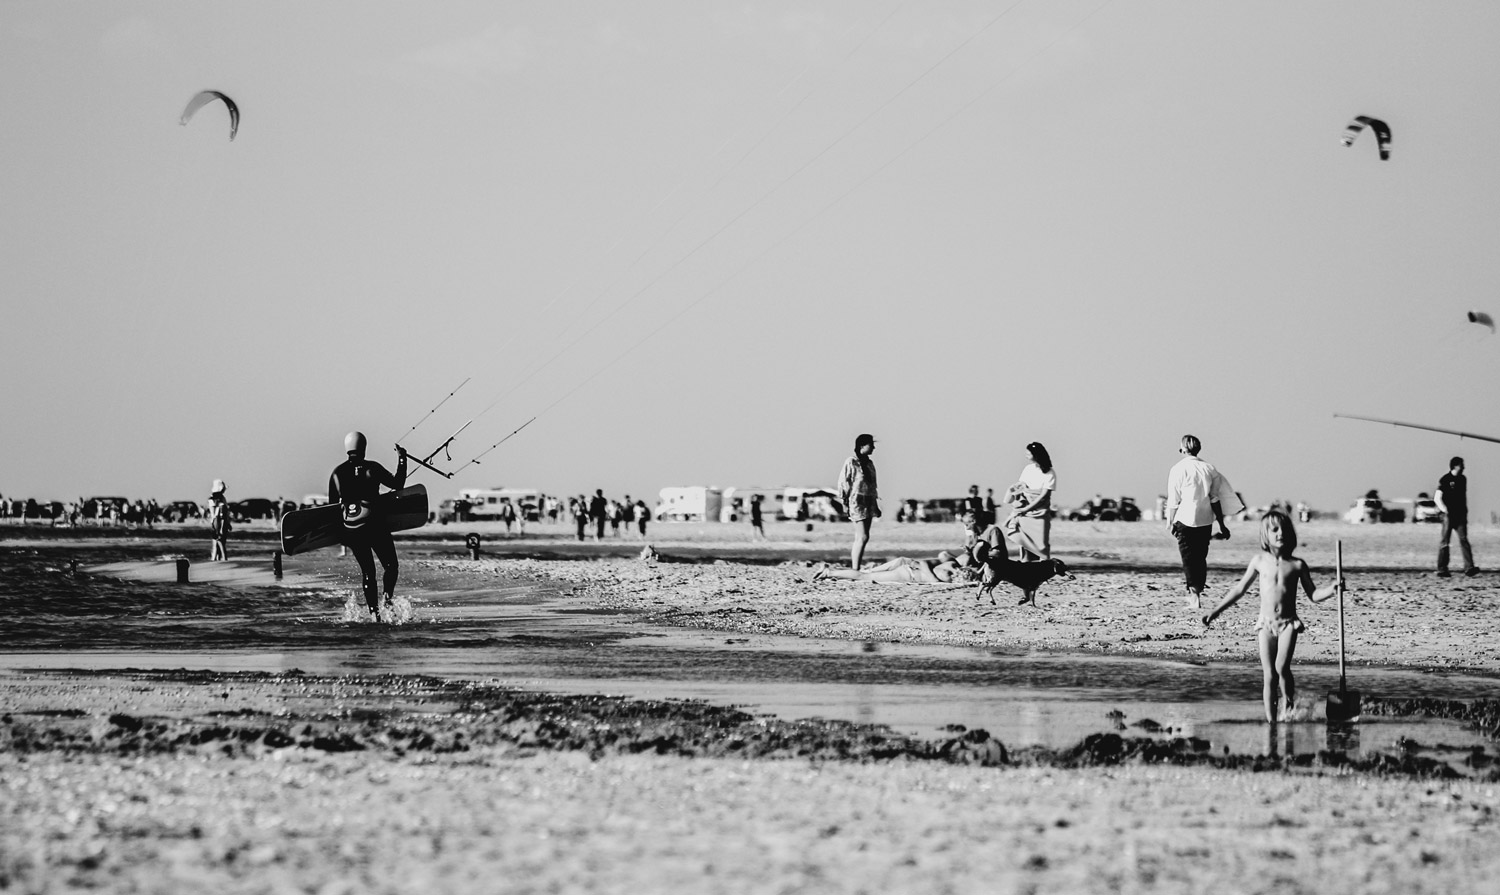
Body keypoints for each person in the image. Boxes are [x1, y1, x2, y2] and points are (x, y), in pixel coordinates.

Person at [1202, 511, 1341, 723]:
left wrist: (1332, 590)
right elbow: (1240, 589)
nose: (1280, 533)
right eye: (1274, 529)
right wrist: (1216, 610)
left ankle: (1289, 704)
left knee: (1281, 667)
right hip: (1265, 625)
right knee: (1269, 674)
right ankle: (1271, 722)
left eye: (1284, 529)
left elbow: (1313, 595)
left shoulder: (1297, 564)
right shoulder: (1259, 561)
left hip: (1288, 624)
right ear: (1265, 535)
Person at [328, 431, 408, 621]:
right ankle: (387, 601)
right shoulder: (373, 468)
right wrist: (403, 459)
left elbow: (332, 508)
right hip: (375, 526)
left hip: (353, 529)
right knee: (391, 566)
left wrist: (340, 535)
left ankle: (374, 615)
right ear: (364, 447)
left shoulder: (337, 473)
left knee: (368, 573)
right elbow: (398, 484)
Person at [1165, 434, 1243, 609]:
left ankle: (1194, 597)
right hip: (1205, 519)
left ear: (1183, 449)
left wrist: (1169, 521)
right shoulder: (1209, 468)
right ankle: (1197, 592)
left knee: (1188, 558)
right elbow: (1215, 499)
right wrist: (1222, 524)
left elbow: (1173, 500)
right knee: (1200, 558)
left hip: (1184, 519)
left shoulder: (1177, 469)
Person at [1004, 442, 1056, 561]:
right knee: (1024, 544)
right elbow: (1022, 485)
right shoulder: (1028, 469)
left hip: (1040, 513)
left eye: (1028, 452)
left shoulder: (1049, 473)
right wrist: (1013, 492)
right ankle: (1027, 569)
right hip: (1025, 514)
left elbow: (1043, 495)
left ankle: (1043, 571)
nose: (1026, 455)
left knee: (1041, 545)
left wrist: (1026, 509)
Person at [837, 434, 880, 570]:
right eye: (870, 444)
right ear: (862, 446)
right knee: (862, 536)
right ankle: (855, 569)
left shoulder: (869, 464)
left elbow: (873, 486)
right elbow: (844, 482)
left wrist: (876, 505)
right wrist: (844, 502)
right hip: (857, 502)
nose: (873, 447)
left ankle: (856, 567)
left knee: (864, 537)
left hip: (869, 502)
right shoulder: (851, 462)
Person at [1435, 456, 1478, 577]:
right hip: (1449, 515)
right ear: (1455, 466)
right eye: (1461, 465)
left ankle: (1469, 567)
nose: (1464, 467)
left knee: (1464, 540)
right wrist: (1445, 510)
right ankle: (1442, 568)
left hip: (1460, 515)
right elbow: (1437, 498)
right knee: (1445, 542)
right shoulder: (1445, 479)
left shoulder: (1463, 479)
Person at [813, 551, 964, 584]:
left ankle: (832, 574)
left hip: (907, 570)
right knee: (864, 576)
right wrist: (934, 582)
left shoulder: (951, 564)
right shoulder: (951, 565)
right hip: (906, 572)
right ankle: (829, 572)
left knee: (864, 574)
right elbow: (922, 563)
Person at [207, 479, 230, 561]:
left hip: (219, 523)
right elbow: (216, 516)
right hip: (218, 523)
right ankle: (221, 559)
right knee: (219, 543)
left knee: (218, 543)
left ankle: (217, 559)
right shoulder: (217, 500)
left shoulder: (216, 499)